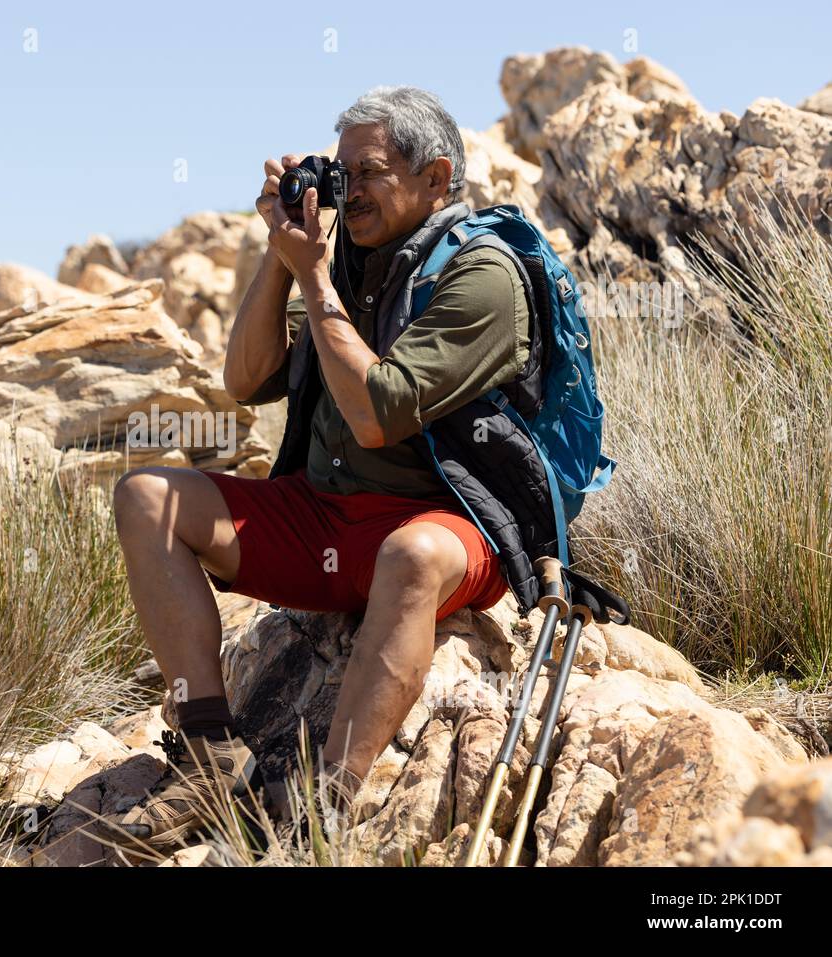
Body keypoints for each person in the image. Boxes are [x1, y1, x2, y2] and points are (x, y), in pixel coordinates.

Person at [103, 86, 531, 849]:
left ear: (435, 178)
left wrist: (317, 280)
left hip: (444, 526)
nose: (350, 191)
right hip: (325, 518)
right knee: (146, 496)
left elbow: (377, 413)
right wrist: (281, 256)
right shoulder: (346, 261)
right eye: (340, 175)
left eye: (367, 173)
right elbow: (244, 378)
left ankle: (327, 803)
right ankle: (209, 753)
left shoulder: (482, 276)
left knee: (411, 553)